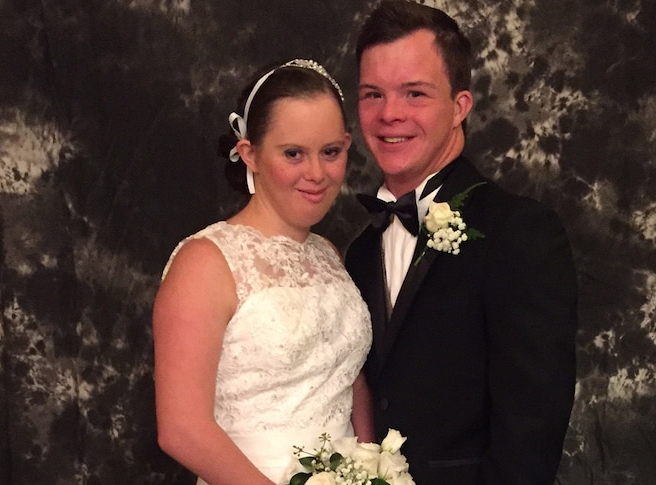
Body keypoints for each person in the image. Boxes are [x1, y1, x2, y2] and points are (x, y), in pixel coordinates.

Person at [344, 2, 579, 484]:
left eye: (414, 93)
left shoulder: (520, 233)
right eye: (373, 94)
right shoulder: (360, 252)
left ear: (460, 107)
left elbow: (530, 435)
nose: (390, 114)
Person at [153, 59, 374, 485]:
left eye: (330, 152)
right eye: (293, 153)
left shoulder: (328, 254)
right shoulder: (204, 262)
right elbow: (182, 430)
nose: (316, 173)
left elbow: (349, 378)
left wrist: (369, 468)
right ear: (249, 154)